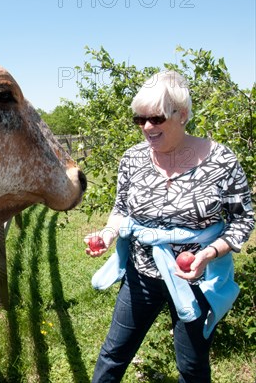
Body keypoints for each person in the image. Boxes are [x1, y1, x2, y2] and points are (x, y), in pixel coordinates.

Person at [84, 70, 254, 383]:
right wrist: (108, 234)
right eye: (140, 119)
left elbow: (243, 220)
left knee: (191, 367)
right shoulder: (133, 159)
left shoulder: (221, 160)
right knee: (113, 354)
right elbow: (122, 210)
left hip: (196, 279)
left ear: (183, 115)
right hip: (142, 274)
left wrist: (209, 254)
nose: (147, 127)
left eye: (157, 118)